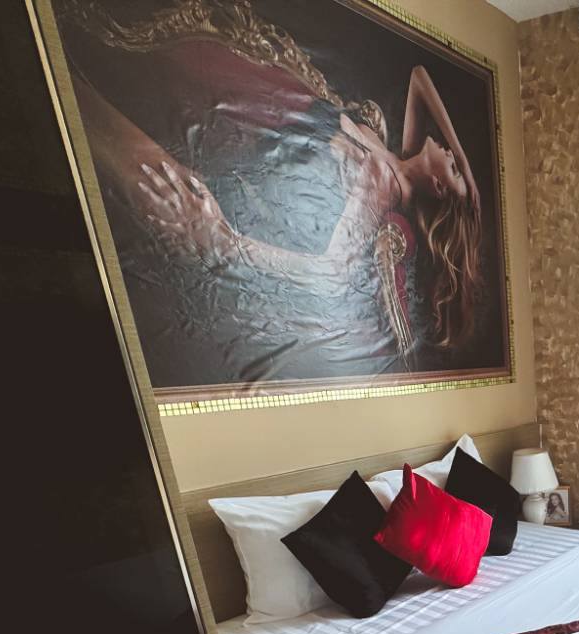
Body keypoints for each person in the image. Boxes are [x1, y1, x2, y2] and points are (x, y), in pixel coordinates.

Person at [60, 0, 484, 386]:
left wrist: (224, 243)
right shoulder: (396, 157)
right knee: (118, 56)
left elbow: (334, 274)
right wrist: (468, 179)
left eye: (453, 169)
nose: (451, 152)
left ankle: (53, 77)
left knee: (102, 113)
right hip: (264, 99)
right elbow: (420, 78)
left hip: (254, 128)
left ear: (438, 188)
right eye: (457, 158)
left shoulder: (387, 185)